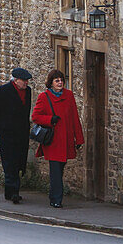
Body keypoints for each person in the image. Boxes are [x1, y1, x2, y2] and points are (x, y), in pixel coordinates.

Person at [32, 69, 84, 208]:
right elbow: (35, 117)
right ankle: (56, 199)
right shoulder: (44, 97)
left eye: (61, 80)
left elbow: (74, 118)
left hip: (66, 139)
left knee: (60, 169)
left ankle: (53, 194)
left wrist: (78, 139)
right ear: (51, 83)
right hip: (53, 141)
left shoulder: (69, 95)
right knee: (55, 170)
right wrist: (50, 119)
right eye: (57, 81)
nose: (60, 83)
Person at [0, 67, 33, 204]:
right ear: (16, 80)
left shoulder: (28, 92)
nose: (26, 83)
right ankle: (13, 191)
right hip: (7, 133)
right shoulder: (2, 92)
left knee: (19, 162)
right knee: (9, 162)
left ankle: (11, 190)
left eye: (27, 81)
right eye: (24, 81)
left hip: (21, 133)